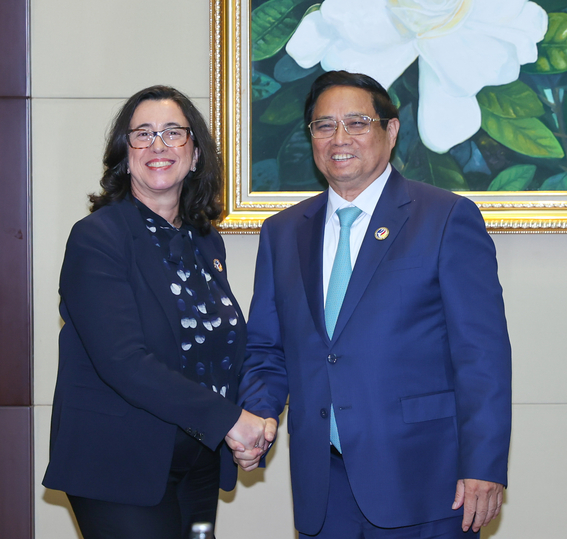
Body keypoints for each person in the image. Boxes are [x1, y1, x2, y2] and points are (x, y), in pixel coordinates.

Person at [231, 71, 512, 538]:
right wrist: (259, 415)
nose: (339, 138)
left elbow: (480, 356)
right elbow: (267, 348)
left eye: (357, 122)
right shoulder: (282, 233)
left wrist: (485, 464)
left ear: (391, 130)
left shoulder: (445, 218)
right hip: (323, 485)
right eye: (323, 126)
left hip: (426, 480)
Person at [43, 85, 271, 539]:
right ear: (125, 155)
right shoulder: (97, 238)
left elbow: (223, 351)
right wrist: (229, 420)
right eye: (142, 134)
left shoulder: (206, 242)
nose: (158, 145)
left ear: (196, 153)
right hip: (118, 464)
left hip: (198, 463)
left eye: (173, 132)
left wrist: (256, 416)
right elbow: (124, 362)